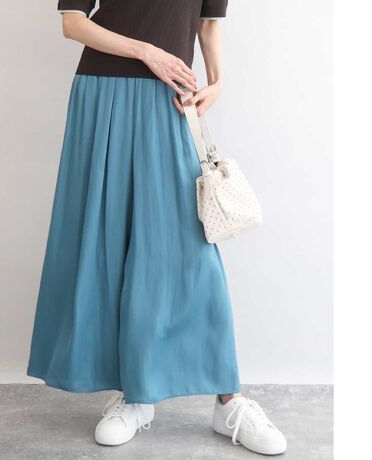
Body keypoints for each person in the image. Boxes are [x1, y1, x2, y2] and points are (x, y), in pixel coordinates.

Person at [26, 1, 287, 455]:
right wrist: (146, 51)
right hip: (101, 93)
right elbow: (73, 23)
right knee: (107, 240)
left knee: (184, 249)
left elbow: (208, 22)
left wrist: (218, 81)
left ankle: (229, 400)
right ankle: (136, 392)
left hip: (168, 97)